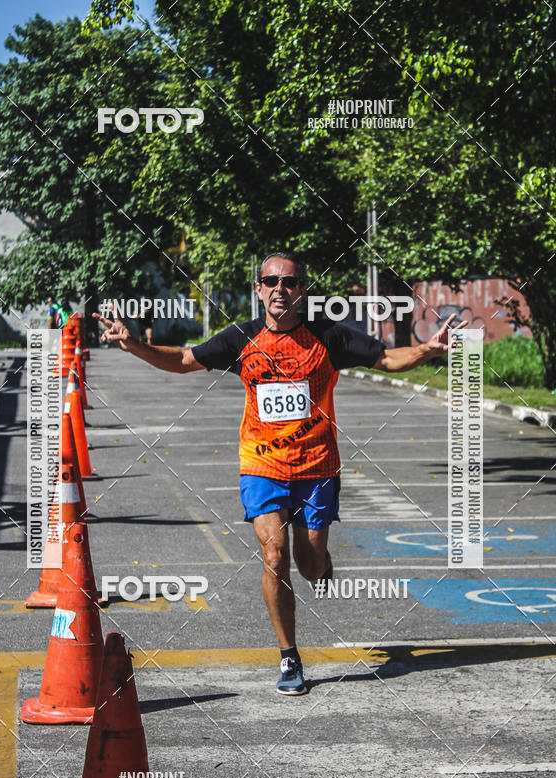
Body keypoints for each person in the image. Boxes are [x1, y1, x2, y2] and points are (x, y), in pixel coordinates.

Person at [93, 251, 467, 696]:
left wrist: (428, 348)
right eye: (270, 281)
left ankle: (321, 562)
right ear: (258, 290)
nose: (279, 289)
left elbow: (386, 358)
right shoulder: (240, 339)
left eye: (288, 282)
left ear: (302, 289)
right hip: (262, 465)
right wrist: (133, 344)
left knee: (308, 566)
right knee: (274, 554)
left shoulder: (328, 337)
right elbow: (183, 359)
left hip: (317, 468)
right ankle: (289, 655)